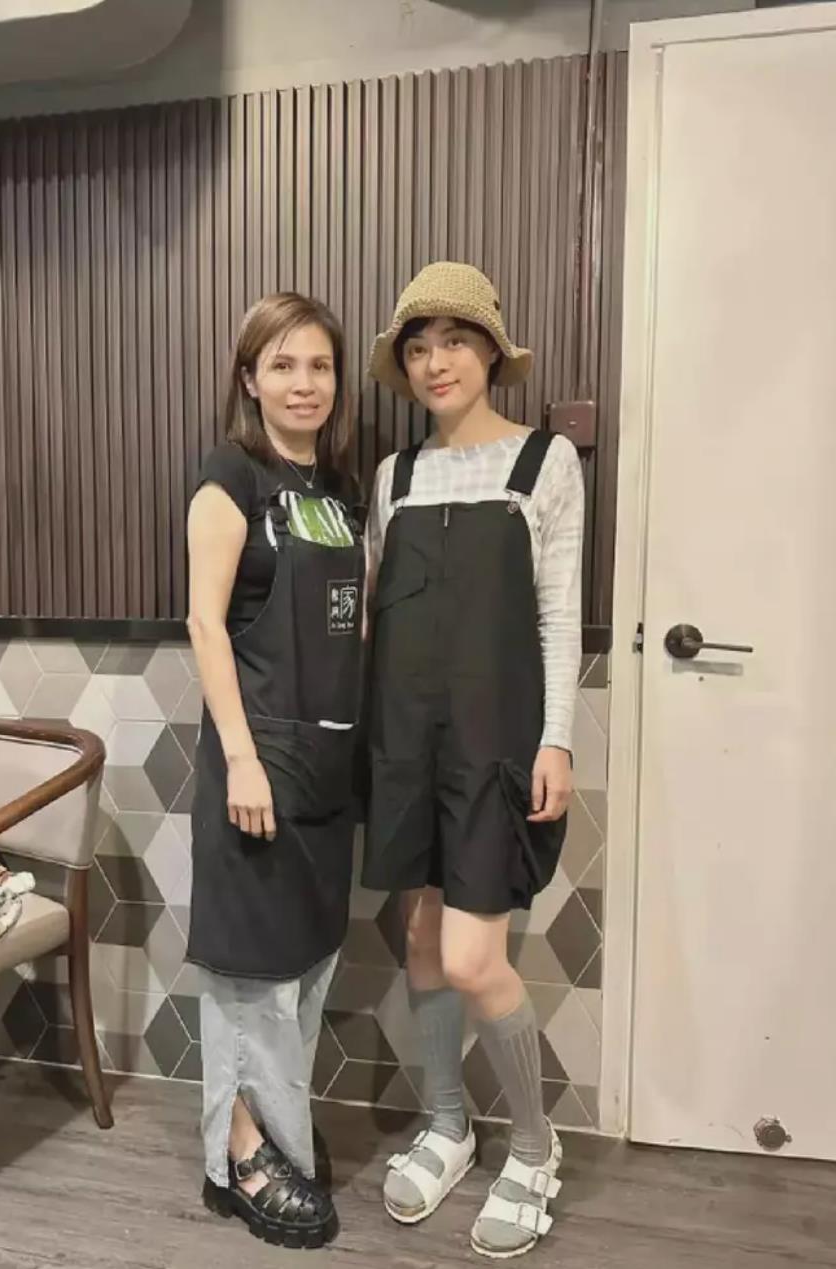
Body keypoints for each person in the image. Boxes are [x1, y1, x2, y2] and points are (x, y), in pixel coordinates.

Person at [362, 262, 584, 1258]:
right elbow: (379, 617)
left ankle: (533, 1146)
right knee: (418, 942)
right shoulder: (394, 478)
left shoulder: (546, 462)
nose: (434, 361)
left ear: (491, 349)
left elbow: (556, 615)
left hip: (498, 745)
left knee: (470, 957)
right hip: (406, 741)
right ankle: (448, 1123)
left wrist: (557, 739)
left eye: (454, 340)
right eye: (417, 347)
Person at [185, 293, 364, 1251]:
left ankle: (279, 1127)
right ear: (250, 377)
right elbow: (206, 623)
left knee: (306, 959)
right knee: (252, 972)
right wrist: (242, 759)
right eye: (283, 365)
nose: (304, 383)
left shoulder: (339, 490)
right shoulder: (231, 477)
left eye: (320, 366)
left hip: (326, 765)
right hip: (255, 765)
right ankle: (243, 1152)